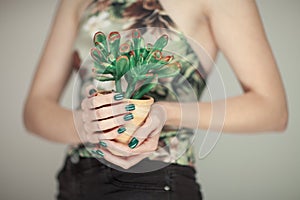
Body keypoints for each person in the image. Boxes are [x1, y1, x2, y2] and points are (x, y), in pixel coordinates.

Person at [23, 0, 288, 199]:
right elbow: (35, 108)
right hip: (75, 180)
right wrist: (85, 124)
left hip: (154, 181)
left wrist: (164, 113)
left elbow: (272, 110)